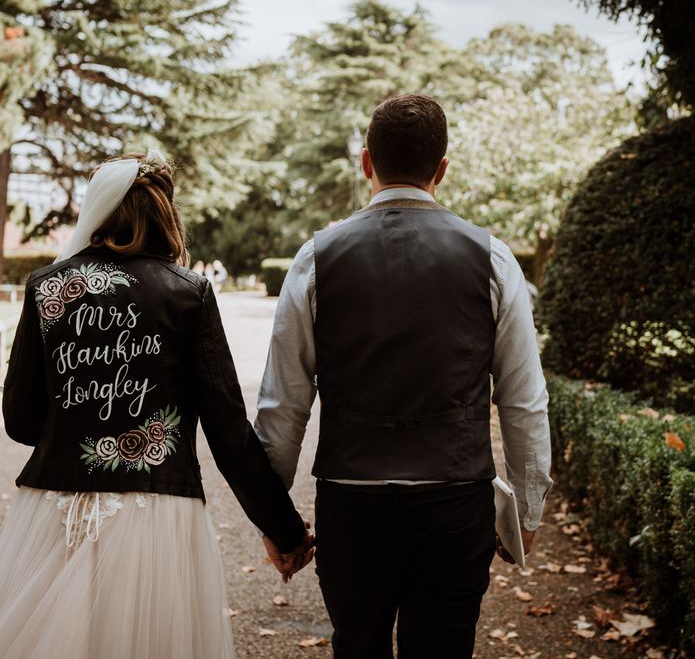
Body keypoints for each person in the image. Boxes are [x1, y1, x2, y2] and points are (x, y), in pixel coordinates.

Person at [255, 94, 553, 658]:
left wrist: (277, 523)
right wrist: (529, 508)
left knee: (358, 647)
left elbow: (283, 404)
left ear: (366, 162)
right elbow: (522, 400)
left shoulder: (316, 258)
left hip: (351, 504)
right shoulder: (492, 258)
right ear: (442, 168)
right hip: (454, 500)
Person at [0, 150, 313, 659]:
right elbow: (229, 433)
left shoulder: (45, 287)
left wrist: (81, 427)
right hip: (156, 513)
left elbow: (18, 421)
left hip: (53, 511)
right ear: (166, 213)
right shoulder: (188, 293)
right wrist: (285, 530)